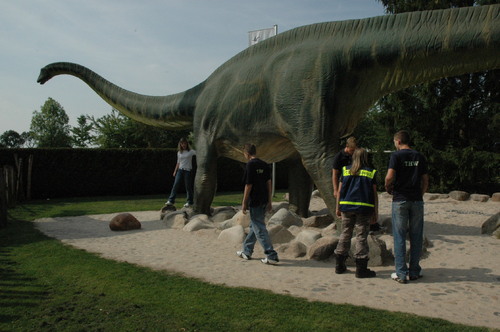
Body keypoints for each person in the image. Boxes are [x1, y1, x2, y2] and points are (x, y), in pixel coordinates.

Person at [385, 130, 429, 284]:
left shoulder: (396, 156)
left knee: (399, 236)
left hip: (400, 199)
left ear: (398, 141)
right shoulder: (419, 156)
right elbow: (425, 180)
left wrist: (387, 187)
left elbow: (390, 176)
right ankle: (415, 271)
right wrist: (421, 194)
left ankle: (401, 273)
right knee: (416, 236)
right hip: (416, 199)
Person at [333, 148, 378, 278]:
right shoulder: (371, 172)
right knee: (361, 236)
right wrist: (375, 211)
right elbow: (375, 195)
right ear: (366, 158)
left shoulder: (345, 170)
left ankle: (339, 265)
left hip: (346, 207)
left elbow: (340, 192)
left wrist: (338, 207)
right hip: (364, 209)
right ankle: (361, 268)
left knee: (345, 233)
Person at [236, 144, 279, 265]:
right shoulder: (264, 164)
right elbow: (269, 183)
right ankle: (246, 250)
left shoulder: (250, 165)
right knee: (254, 226)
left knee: (259, 228)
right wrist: (270, 201)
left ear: (246, 153)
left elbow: (248, 185)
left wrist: (244, 203)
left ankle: (271, 255)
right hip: (264, 199)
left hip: (255, 200)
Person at [165, 137, 196, 208]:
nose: (183, 145)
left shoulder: (191, 151)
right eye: (182, 144)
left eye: (184, 143)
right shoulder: (179, 153)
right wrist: (175, 171)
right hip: (180, 170)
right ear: (180, 144)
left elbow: (199, 153)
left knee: (188, 186)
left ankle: (190, 202)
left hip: (188, 170)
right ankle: (171, 200)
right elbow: (178, 163)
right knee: (176, 184)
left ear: (187, 144)